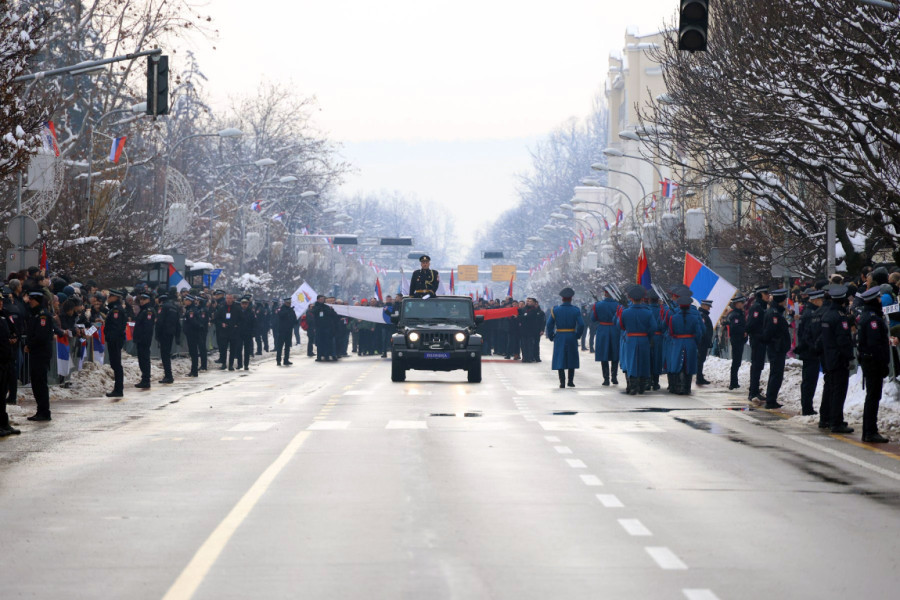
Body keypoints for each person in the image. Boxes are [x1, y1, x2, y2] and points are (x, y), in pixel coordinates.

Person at [856, 287, 892, 443]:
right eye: (878, 299)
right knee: (873, 397)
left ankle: (869, 430)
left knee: (872, 396)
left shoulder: (868, 316)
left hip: (869, 361)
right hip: (873, 362)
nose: (880, 301)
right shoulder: (872, 320)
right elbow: (875, 344)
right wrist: (882, 362)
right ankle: (870, 431)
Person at [818, 285, 854, 433]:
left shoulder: (827, 315)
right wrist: (849, 357)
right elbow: (843, 340)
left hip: (828, 356)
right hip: (838, 358)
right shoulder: (840, 317)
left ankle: (826, 418)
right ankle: (836, 421)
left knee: (830, 388)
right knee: (838, 390)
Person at [545, 287, 585, 388]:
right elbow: (581, 324)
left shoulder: (555, 310)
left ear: (562, 298)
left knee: (560, 358)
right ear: (571, 299)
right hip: (571, 335)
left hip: (560, 336)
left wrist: (551, 335)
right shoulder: (575, 310)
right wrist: (577, 335)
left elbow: (549, 324)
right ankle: (570, 381)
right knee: (571, 357)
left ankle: (562, 382)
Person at [618, 286, 655, 395]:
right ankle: (642, 387)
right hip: (643, 338)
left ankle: (633, 386)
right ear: (643, 298)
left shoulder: (625, 312)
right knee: (644, 362)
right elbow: (653, 327)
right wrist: (648, 336)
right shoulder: (648, 312)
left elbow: (621, 325)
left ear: (631, 298)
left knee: (631, 362)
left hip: (631, 339)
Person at [794, 289, 825, 415]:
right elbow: (808, 335)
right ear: (816, 300)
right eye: (821, 300)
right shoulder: (811, 314)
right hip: (810, 352)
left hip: (809, 351)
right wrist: (814, 348)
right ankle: (807, 408)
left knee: (810, 380)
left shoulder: (809, 312)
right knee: (809, 381)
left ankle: (807, 406)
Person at [667, 294, 705, 395]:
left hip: (677, 342)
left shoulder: (673, 318)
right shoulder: (694, 317)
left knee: (677, 364)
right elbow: (699, 333)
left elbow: (671, 332)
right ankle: (687, 387)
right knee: (689, 365)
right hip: (690, 342)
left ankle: (678, 386)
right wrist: (694, 342)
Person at [24, 290, 53, 421]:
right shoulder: (35, 314)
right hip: (37, 352)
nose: (29, 301)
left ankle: (44, 411)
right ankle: (41, 410)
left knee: (40, 382)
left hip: (40, 353)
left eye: (31, 299)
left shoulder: (43, 316)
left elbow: (40, 336)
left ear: (37, 300)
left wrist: (29, 345)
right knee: (36, 382)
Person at [761, 288, 791, 409]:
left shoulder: (775, 312)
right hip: (776, 348)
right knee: (776, 374)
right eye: (784, 300)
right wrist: (776, 343)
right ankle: (771, 400)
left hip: (777, 347)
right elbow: (770, 332)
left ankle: (772, 398)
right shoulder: (774, 314)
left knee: (776, 373)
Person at [745, 285, 771, 402]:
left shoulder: (762, 306)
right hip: (757, 340)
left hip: (761, 339)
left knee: (759, 366)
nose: (768, 296)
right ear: (760, 294)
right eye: (766, 294)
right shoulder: (757, 307)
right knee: (756, 366)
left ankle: (755, 390)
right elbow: (751, 324)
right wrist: (758, 335)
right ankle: (753, 392)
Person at [592, 286, 621, 386]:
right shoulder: (618, 305)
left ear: (605, 293)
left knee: (603, 354)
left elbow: (593, 318)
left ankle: (606, 378)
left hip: (603, 330)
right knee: (615, 354)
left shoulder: (598, 305)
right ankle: (614, 377)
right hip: (615, 330)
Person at [0, 294, 20, 436]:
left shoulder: (3, 317)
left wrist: (12, 338)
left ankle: (3, 423)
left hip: (6, 360)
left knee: (2, 394)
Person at [104, 289, 128, 398]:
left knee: (116, 364)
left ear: (116, 297)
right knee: (115, 364)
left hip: (115, 340)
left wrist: (110, 337)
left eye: (111, 296)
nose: (108, 298)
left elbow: (116, 327)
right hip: (114, 339)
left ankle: (118, 389)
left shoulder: (116, 310)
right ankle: (118, 389)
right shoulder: (115, 309)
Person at [155, 293, 180, 384]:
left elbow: (159, 322)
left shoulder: (163, 307)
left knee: (164, 355)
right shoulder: (174, 308)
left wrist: (157, 335)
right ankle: (168, 375)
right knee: (167, 354)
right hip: (171, 334)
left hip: (163, 334)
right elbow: (178, 323)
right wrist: (177, 336)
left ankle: (168, 376)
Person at [133, 292, 156, 388]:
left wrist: (143, 338)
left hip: (144, 339)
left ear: (148, 300)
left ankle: (146, 380)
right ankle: (144, 379)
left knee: (144, 359)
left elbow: (147, 327)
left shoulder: (148, 311)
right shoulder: (143, 310)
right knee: (142, 359)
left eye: (144, 299)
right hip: (141, 339)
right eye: (141, 299)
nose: (141, 301)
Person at [724, 295, 747, 390]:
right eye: (742, 303)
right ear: (737, 304)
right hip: (737, 339)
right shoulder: (735, 315)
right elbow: (735, 327)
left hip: (739, 340)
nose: (743, 304)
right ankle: (733, 383)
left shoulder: (739, 313)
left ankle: (735, 382)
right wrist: (744, 332)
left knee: (737, 362)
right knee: (736, 362)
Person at [182, 295, 203, 377]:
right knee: (193, 352)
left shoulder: (191, 311)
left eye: (186, 300)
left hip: (192, 334)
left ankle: (194, 371)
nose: (185, 301)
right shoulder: (190, 309)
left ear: (190, 301)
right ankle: (193, 370)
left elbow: (193, 322)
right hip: (191, 333)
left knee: (193, 352)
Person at [695, 299, 714, 385]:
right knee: (700, 360)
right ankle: (699, 378)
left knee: (701, 360)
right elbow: (703, 331)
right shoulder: (703, 315)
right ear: (703, 305)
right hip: (702, 342)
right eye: (708, 306)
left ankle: (700, 376)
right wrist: (707, 340)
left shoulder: (703, 315)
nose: (709, 309)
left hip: (703, 342)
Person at [275, 297, 297, 366]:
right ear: (285, 302)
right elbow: (280, 315)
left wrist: (296, 321)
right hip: (282, 330)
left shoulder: (291, 310)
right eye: (288, 303)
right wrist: (288, 311)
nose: (289, 304)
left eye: (290, 303)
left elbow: (294, 319)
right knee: (280, 346)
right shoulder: (281, 308)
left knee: (287, 346)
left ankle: (286, 360)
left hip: (289, 330)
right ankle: (278, 360)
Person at [239, 296, 256, 371]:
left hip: (248, 333)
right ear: (241, 304)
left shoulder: (251, 313)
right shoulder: (238, 312)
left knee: (247, 350)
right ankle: (239, 364)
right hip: (239, 333)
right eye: (243, 303)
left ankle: (246, 364)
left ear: (248, 304)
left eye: (245, 303)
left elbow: (254, 323)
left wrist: (253, 333)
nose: (244, 305)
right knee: (239, 349)